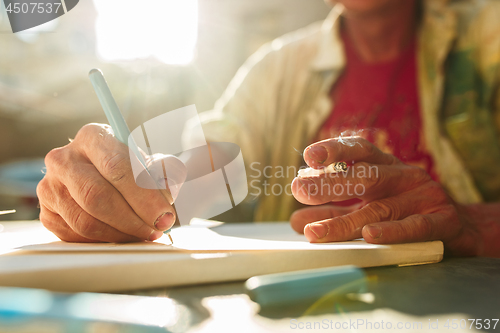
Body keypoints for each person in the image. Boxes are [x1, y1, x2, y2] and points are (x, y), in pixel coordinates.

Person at [37, 0, 500, 257]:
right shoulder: (277, 69)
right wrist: (134, 187)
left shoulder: (488, 38)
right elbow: (210, 169)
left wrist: (474, 225)